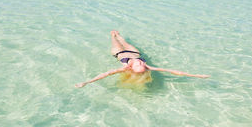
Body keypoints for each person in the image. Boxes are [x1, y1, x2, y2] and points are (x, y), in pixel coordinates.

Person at [75, 30, 209, 88]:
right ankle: (119, 35)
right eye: (141, 64)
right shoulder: (147, 66)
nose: (140, 62)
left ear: (131, 68)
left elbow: (105, 74)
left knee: (114, 39)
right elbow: (173, 71)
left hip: (119, 53)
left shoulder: (124, 67)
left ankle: (113, 35)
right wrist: (196, 75)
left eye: (138, 64)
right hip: (134, 52)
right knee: (123, 39)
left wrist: (86, 82)